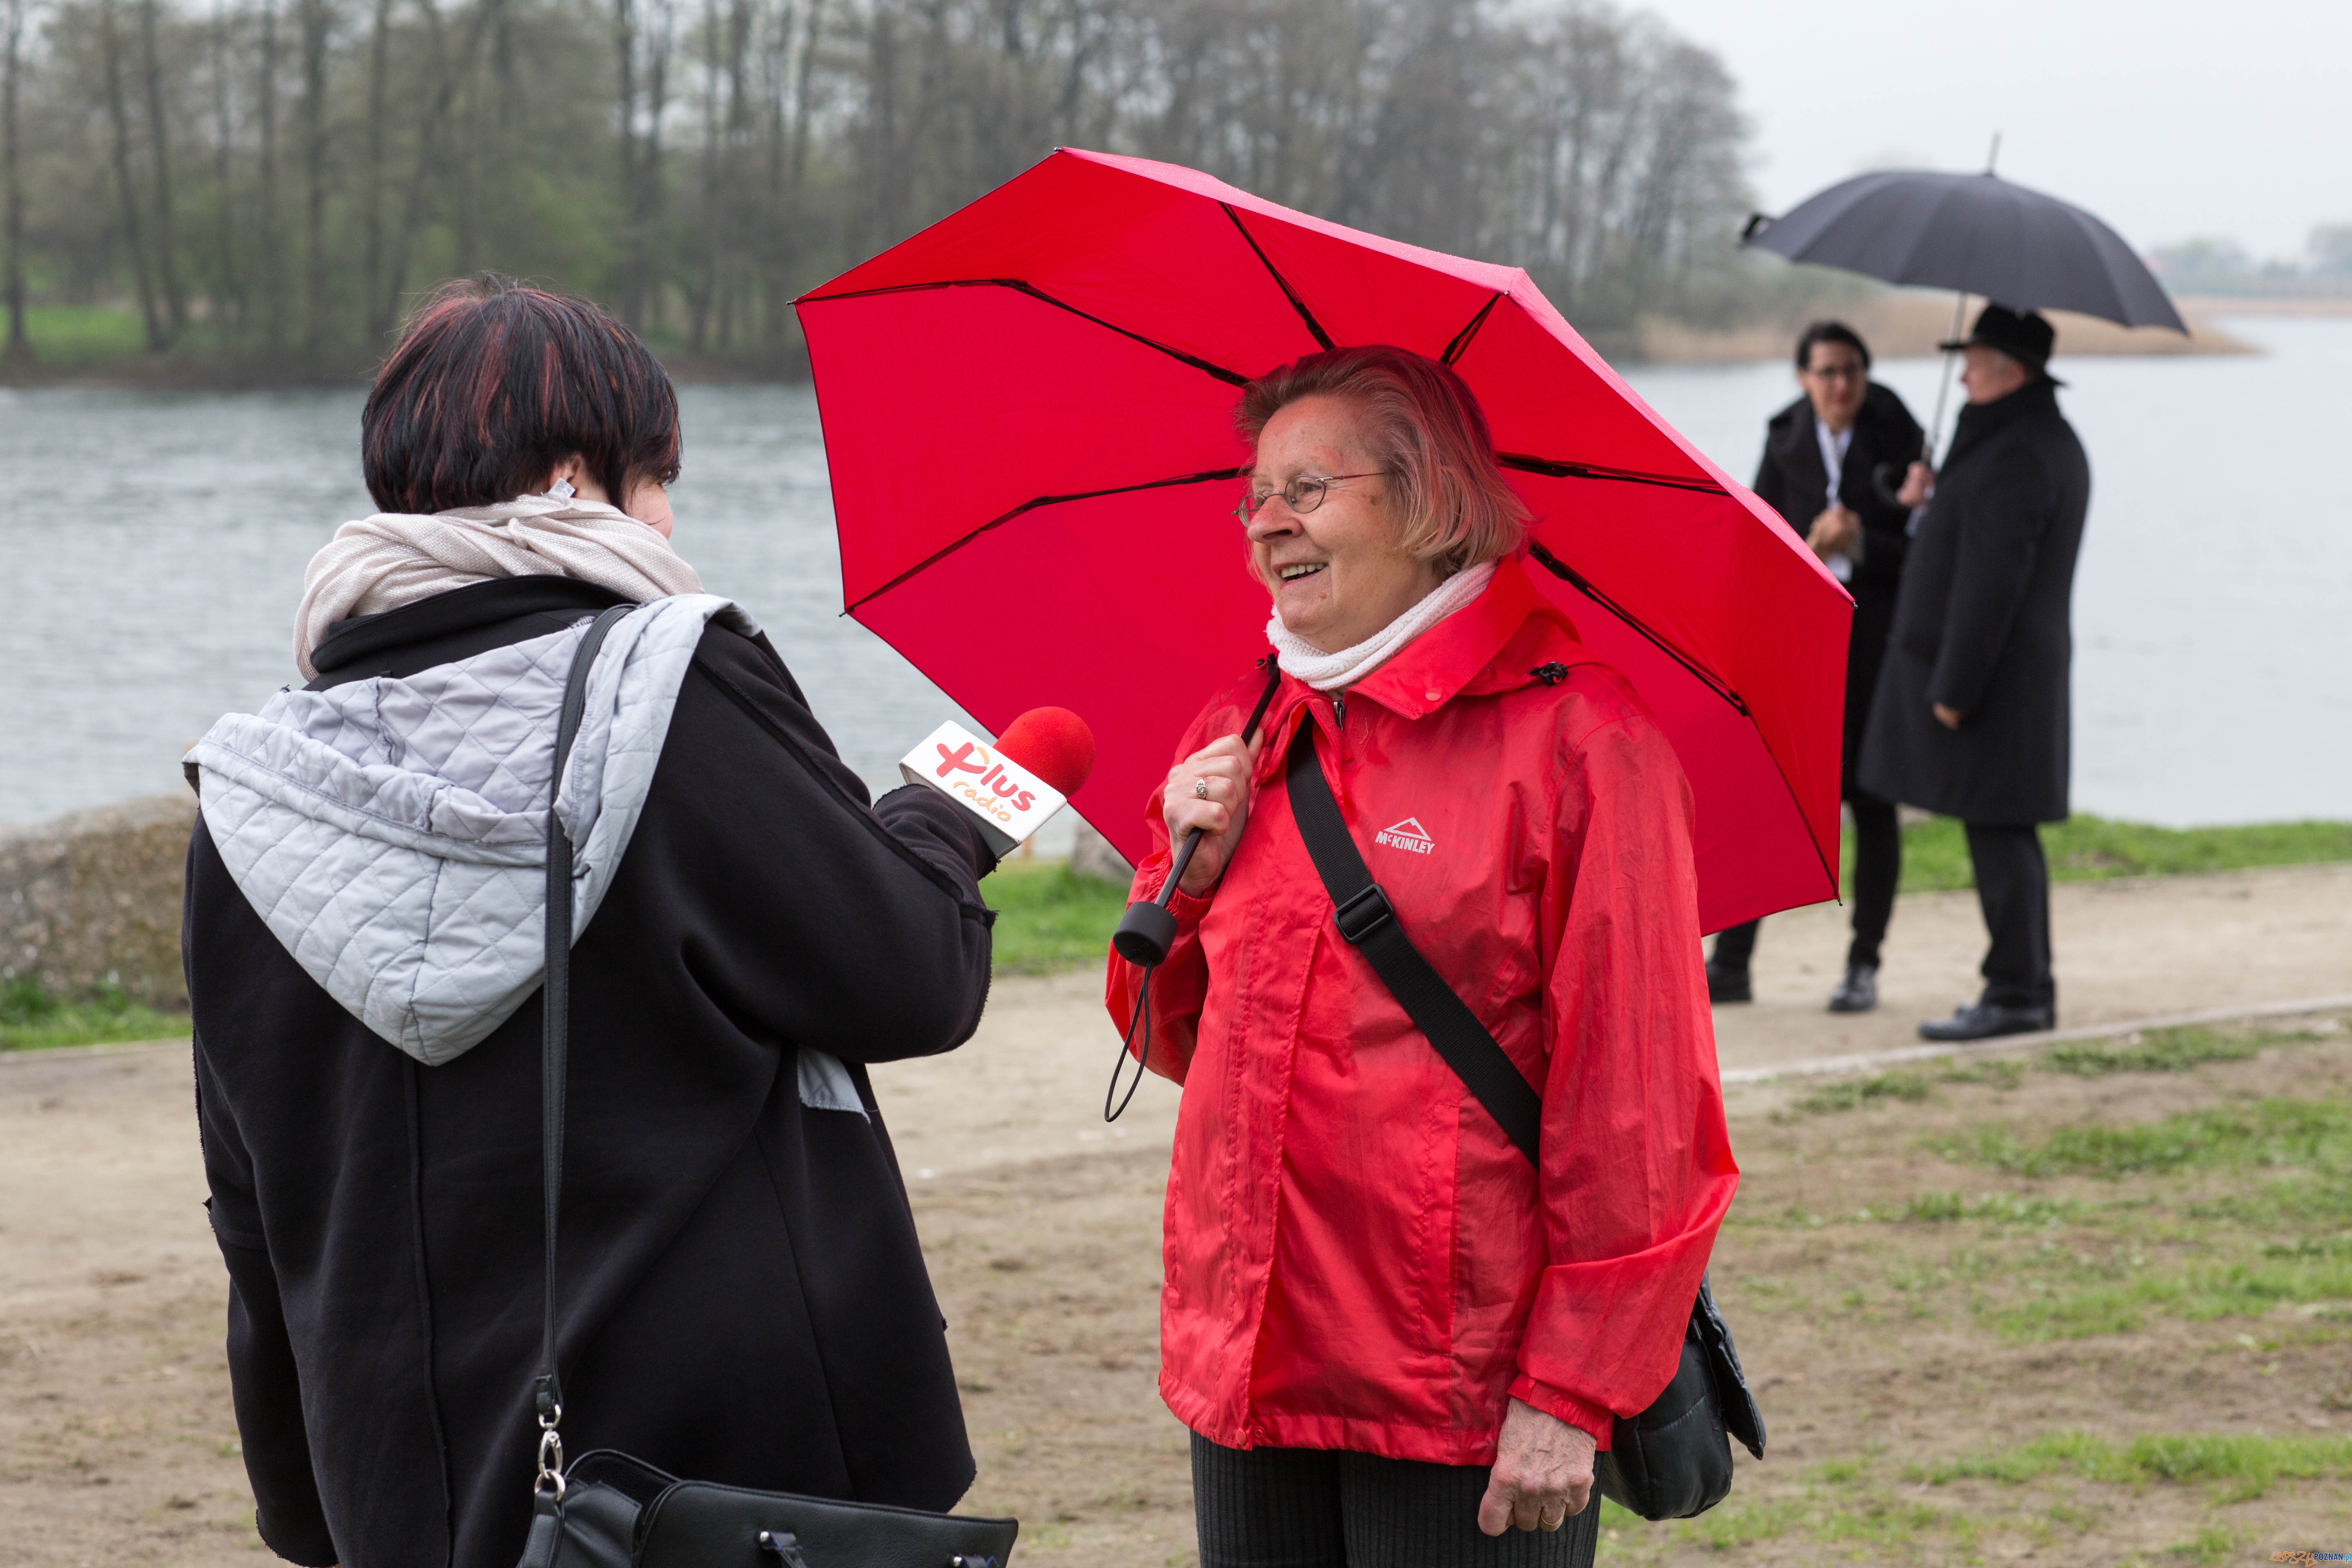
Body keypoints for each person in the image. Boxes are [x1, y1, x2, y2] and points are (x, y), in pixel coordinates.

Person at [181, 277, 1002, 1568]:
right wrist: (940, 827)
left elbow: (253, 1199)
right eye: (656, 478)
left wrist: (307, 1497)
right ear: (576, 479)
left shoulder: (253, 788)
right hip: (719, 1480)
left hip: (399, 1474)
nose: (672, 518)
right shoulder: (671, 684)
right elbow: (909, 974)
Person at [1102, 346, 1737, 1568]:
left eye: (1309, 488)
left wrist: (1570, 1387)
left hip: (1455, 1389)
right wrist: (1177, 866)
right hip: (1249, 1354)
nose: (1265, 523)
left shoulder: (1582, 742)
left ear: (1429, 498)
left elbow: (1641, 1111)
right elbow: (1162, 1034)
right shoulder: (1244, 727)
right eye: (1254, 497)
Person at [1861, 304, 2090, 1040]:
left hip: (1996, 682)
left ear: (2009, 370)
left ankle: (2019, 992)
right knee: (2001, 830)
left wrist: (1955, 690)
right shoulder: (2024, 440)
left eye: (1974, 357)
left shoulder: (2020, 453)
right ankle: (2021, 984)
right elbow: (1976, 544)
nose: (1960, 371)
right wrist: (1930, 500)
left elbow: (1992, 586)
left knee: (2000, 831)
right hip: (2011, 676)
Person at [1704, 321, 1926, 1013]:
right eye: (1827, 372)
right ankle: (1733, 963)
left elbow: (1927, 558)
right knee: (1770, 795)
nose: (1840, 386)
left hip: (1880, 646)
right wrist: (1809, 544)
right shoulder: (1785, 438)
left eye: (1852, 371)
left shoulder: (1904, 435)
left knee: (1874, 799)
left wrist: (1861, 544)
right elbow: (1757, 548)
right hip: (1801, 646)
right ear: (1803, 377)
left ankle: (1864, 965)